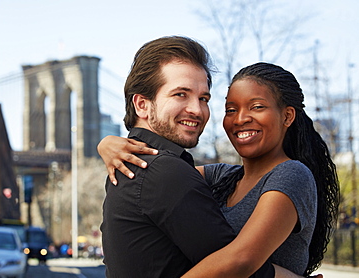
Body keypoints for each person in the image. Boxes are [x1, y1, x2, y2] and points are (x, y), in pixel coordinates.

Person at [98, 62, 339, 277]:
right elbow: (163, 176)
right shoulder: (223, 177)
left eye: (256, 107)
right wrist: (107, 144)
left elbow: (240, 261)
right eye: (231, 110)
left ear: (287, 116)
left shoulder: (292, 175)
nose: (240, 118)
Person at [100, 36, 279, 278]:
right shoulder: (164, 172)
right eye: (181, 94)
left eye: (203, 98)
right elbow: (238, 269)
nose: (197, 110)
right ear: (142, 104)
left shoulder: (133, 166)